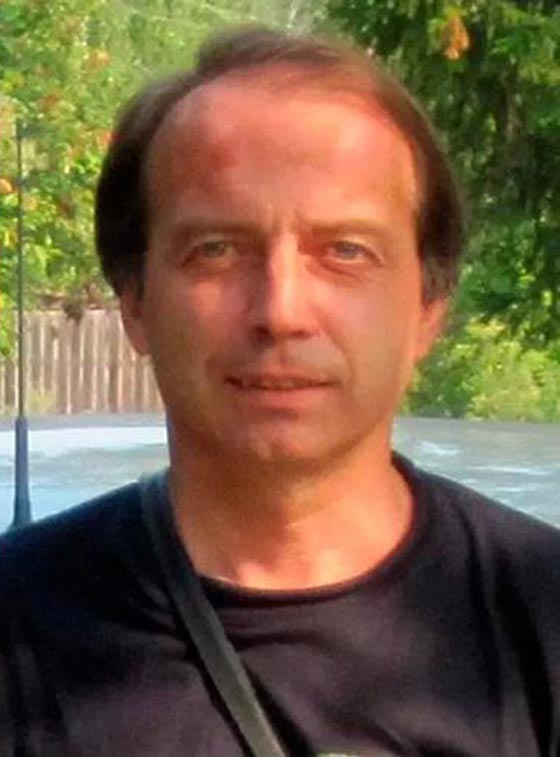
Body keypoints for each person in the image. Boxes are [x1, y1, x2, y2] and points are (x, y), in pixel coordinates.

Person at [1, 27, 559, 757]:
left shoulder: (545, 618)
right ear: (134, 300)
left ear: (429, 306)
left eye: (346, 251)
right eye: (217, 250)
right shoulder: (17, 626)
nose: (281, 310)